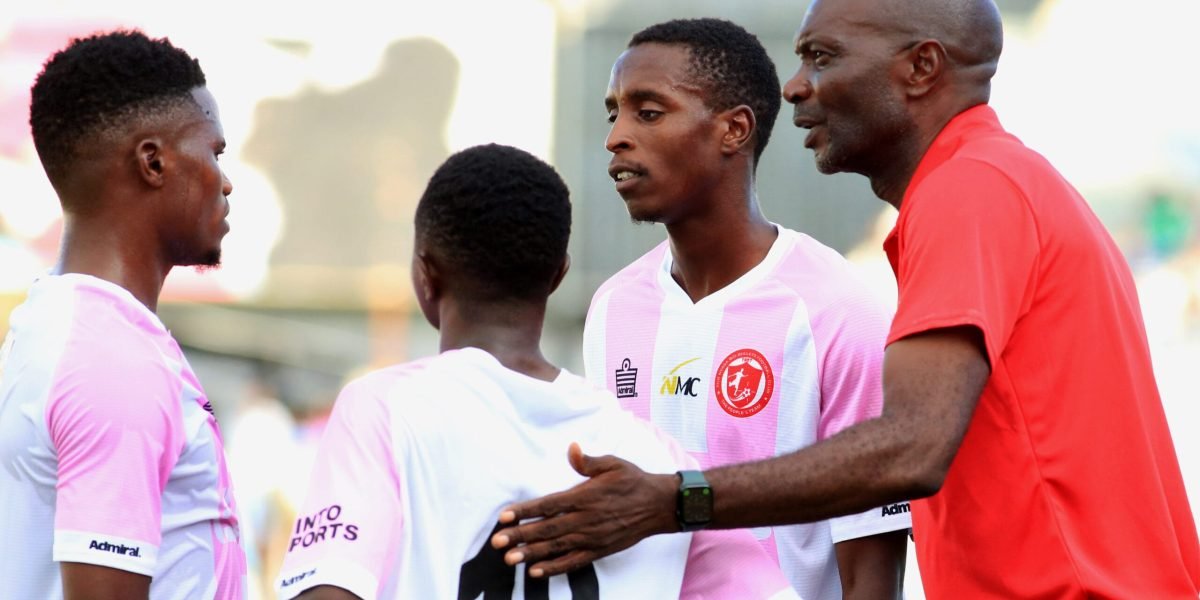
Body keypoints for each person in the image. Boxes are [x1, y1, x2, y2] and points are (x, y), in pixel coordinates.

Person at [492, 1, 1200, 598]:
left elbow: (910, 450)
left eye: (822, 57)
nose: (795, 86)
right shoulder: (984, 185)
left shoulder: (971, 192)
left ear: (921, 68)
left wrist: (676, 499)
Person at [273, 144, 798, 600]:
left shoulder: (384, 409)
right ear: (558, 275)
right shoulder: (653, 460)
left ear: (424, 273)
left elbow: (329, 589)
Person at [498, 18, 909, 600]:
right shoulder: (615, 307)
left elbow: (871, 565)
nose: (616, 135)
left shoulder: (838, 309)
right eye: (612, 112)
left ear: (733, 130)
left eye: (648, 112)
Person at [0, 30, 246, 599]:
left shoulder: (56, 329)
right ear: (153, 162)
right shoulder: (111, 359)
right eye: (214, 152)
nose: (226, 181)